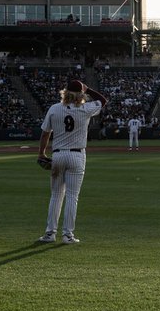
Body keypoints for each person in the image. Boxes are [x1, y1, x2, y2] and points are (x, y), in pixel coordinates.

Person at [36, 79, 108, 245]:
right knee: (72, 197)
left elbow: (45, 133)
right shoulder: (85, 109)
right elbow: (103, 101)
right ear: (81, 95)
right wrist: (87, 88)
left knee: (55, 196)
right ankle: (67, 235)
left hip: (58, 155)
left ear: (65, 92)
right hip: (77, 156)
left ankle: (49, 233)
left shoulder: (54, 108)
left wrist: (41, 152)